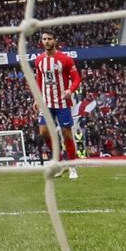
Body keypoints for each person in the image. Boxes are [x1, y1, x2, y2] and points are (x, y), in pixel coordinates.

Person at [33, 31, 82, 178]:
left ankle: (72, 166)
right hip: (47, 102)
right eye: (44, 39)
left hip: (62, 102)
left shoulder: (65, 59)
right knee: (43, 132)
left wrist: (70, 90)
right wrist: (37, 98)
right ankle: (60, 163)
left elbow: (76, 79)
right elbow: (39, 80)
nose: (46, 41)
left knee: (66, 133)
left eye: (49, 39)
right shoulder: (39, 60)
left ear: (55, 40)